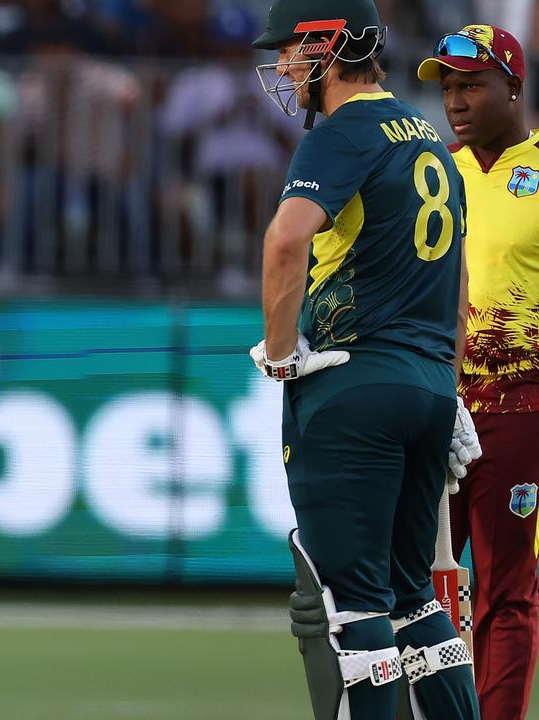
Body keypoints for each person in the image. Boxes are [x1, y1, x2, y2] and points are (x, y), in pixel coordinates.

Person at [246, 0, 481, 718]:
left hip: (354, 386)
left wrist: (282, 355)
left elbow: (286, 241)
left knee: (356, 607)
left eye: (290, 49)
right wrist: (450, 385)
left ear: (325, 46)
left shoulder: (345, 131)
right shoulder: (429, 138)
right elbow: (460, 283)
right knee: (416, 599)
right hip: (430, 386)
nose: (282, 66)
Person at [419, 24, 539, 720]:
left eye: (472, 85)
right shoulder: (434, 171)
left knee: (508, 591)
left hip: (521, 407)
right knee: (416, 584)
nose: (456, 101)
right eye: (448, 88)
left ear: (513, 87)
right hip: (435, 403)